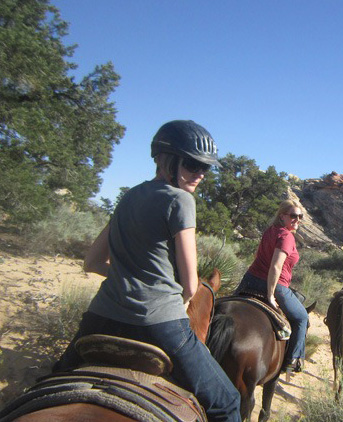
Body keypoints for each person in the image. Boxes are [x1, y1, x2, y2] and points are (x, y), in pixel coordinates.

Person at [53, 120, 241, 422]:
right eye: (193, 165)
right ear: (169, 159)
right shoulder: (181, 200)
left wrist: (126, 279)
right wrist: (165, 292)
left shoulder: (129, 195)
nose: (201, 174)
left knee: (52, 383)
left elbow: (92, 262)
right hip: (160, 323)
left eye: (206, 168)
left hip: (100, 317)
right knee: (227, 401)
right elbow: (191, 285)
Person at [234, 199, 308, 372]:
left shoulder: (270, 231)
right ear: (282, 216)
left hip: (250, 279)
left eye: (300, 216)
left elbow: (258, 255)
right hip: (276, 285)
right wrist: (270, 295)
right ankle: (294, 358)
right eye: (293, 216)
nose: (297, 220)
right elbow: (276, 266)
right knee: (301, 318)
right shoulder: (286, 236)